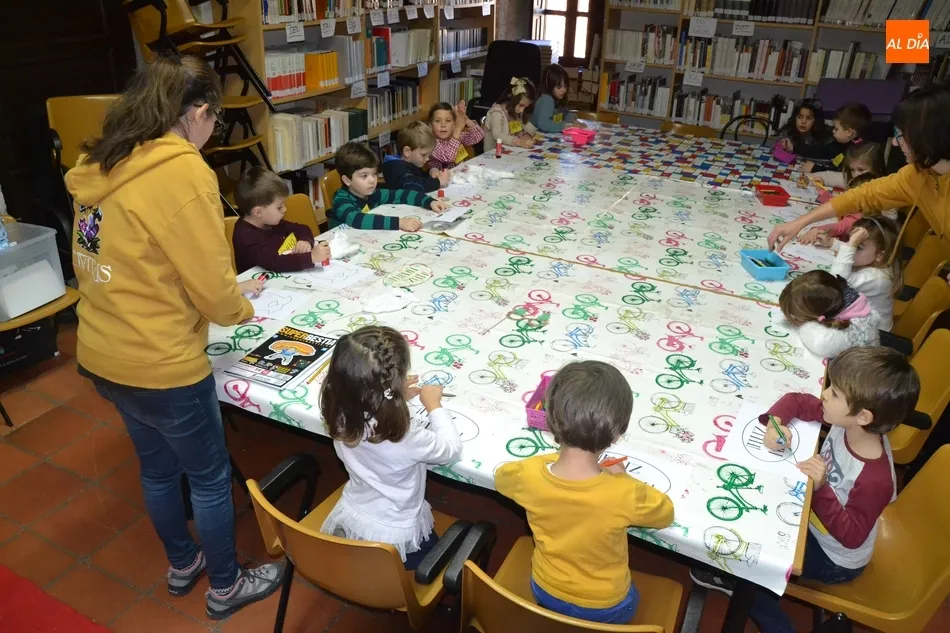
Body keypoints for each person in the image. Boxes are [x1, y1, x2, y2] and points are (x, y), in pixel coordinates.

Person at [64, 55, 284, 620]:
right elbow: (215, 291)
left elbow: (111, 259)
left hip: (104, 351)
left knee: (157, 469)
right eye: (213, 120)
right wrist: (239, 308)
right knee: (209, 478)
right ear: (199, 112)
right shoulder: (181, 172)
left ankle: (184, 562)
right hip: (162, 361)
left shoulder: (100, 161)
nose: (212, 135)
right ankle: (228, 585)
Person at [693, 346, 920, 633]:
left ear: (863, 416)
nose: (825, 393)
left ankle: (778, 624)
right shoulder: (848, 423)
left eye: (835, 393)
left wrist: (822, 488)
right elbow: (797, 401)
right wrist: (775, 424)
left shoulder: (875, 479)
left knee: (752, 566)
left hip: (834, 558)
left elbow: (851, 536)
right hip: (810, 519)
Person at [494, 361, 674, 625]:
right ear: (618, 432)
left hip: (545, 591)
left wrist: (548, 460)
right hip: (608, 607)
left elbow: (500, 479)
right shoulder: (626, 493)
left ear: (551, 420)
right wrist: (625, 478)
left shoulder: (527, 474)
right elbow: (665, 514)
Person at [319, 326, 461, 569]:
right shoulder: (404, 434)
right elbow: (451, 450)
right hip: (398, 533)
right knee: (440, 557)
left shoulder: (340, 413)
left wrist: (391, 397)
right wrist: (434, 406)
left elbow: (367, 407)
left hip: (357, 511)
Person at [769, 86, 950, 253]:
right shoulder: (916, 173)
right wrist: (799, 223)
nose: (895, 142)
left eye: (900, 135)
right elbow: (861, 196)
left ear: (927, 137)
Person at [328, 141, 449, 232]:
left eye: (374, 174)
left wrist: (429, 202)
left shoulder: (372, 193)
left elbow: (402, 194)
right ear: (347, 180)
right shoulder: (341, 200)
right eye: (364, 176)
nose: (372, 180)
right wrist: (399, 222)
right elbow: (358, 220)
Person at [231, 166, 330, 274]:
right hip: (259, 285)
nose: (284, 209)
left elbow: (302, 229)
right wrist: (310, 257)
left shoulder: (269, 221)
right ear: (258, 212)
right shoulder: (245, 236)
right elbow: (275, 262)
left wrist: (304, 241)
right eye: (279, 207)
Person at [800, 143, 891, 243]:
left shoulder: (872, 201)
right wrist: (821, 191)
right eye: (852, 170)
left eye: (861, 170)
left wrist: (818, 230)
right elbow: (841, 204)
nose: (855, 174)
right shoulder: (858, 185)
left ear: (877, 169)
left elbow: (843, 226)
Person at [778, 271, 880, 358]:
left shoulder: (835, 337)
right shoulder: (845, 299)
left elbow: (819, 342)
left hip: (853, 375)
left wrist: (805, 326)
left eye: (796, 315)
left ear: (818, 315)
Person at [825, 217, 901, 330]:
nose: (851, 249)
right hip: (862, 324)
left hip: (874, 336)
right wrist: (831, 242)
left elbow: (836, 282)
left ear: (880, 255)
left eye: (857, 246)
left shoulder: (877, 278)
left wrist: (851, 246)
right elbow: (856, 252)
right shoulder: (872, 260)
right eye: (849, 241)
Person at [801, 102, 871, 173]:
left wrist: (814, 168)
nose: (833, 131)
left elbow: (839, 173)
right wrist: (795, 147)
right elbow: (824, 151)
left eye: (836, 129)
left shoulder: (857, 154)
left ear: (849, 132)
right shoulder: (843, 143)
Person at [380, 121, 446, 193]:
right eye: (423, 155)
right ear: (407, 151)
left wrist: (431, 171)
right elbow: (414, 186)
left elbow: (419, 177)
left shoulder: (412, 163)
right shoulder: (397, 169)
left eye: (429, 155)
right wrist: (438, 182)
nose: (427, 159)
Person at [774, 99, 835, 170]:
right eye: (799, 117)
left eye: (809, 118)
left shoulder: (827, 137)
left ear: (816, 120)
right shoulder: (787, 130)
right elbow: (776, 154)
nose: (803, 122)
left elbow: (830, 160)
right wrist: (782, 147)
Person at [426, 100, 485, 171]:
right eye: (438, 121)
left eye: (448, 121)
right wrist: (457, 129)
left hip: (459, 176)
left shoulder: (456, 135)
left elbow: (479, 135)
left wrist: (464, 118)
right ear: (430, 125)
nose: (443, 125)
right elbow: (448, 158)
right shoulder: (430, 142)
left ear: (454, 124)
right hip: (441, 179)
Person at [482, 77, 538, 150]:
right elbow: (497, 135)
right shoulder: (496, 113)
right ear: (511, 97)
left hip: (510, 153)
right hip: (493, 155)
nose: (522, 110)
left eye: (525, 107)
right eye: (521, 105)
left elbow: (529, 127)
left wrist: (528, 135)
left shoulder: (516, 112)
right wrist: (519, 142)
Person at [532, 63, 583, 133]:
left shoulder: (559, 98)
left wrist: (574, 121)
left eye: (565, 86)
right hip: (536, 135)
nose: (564, 90)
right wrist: (566, 126)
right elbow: (544, 124)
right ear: (549, 86)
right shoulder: (546, 99)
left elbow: (565, 113)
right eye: (559, 87)